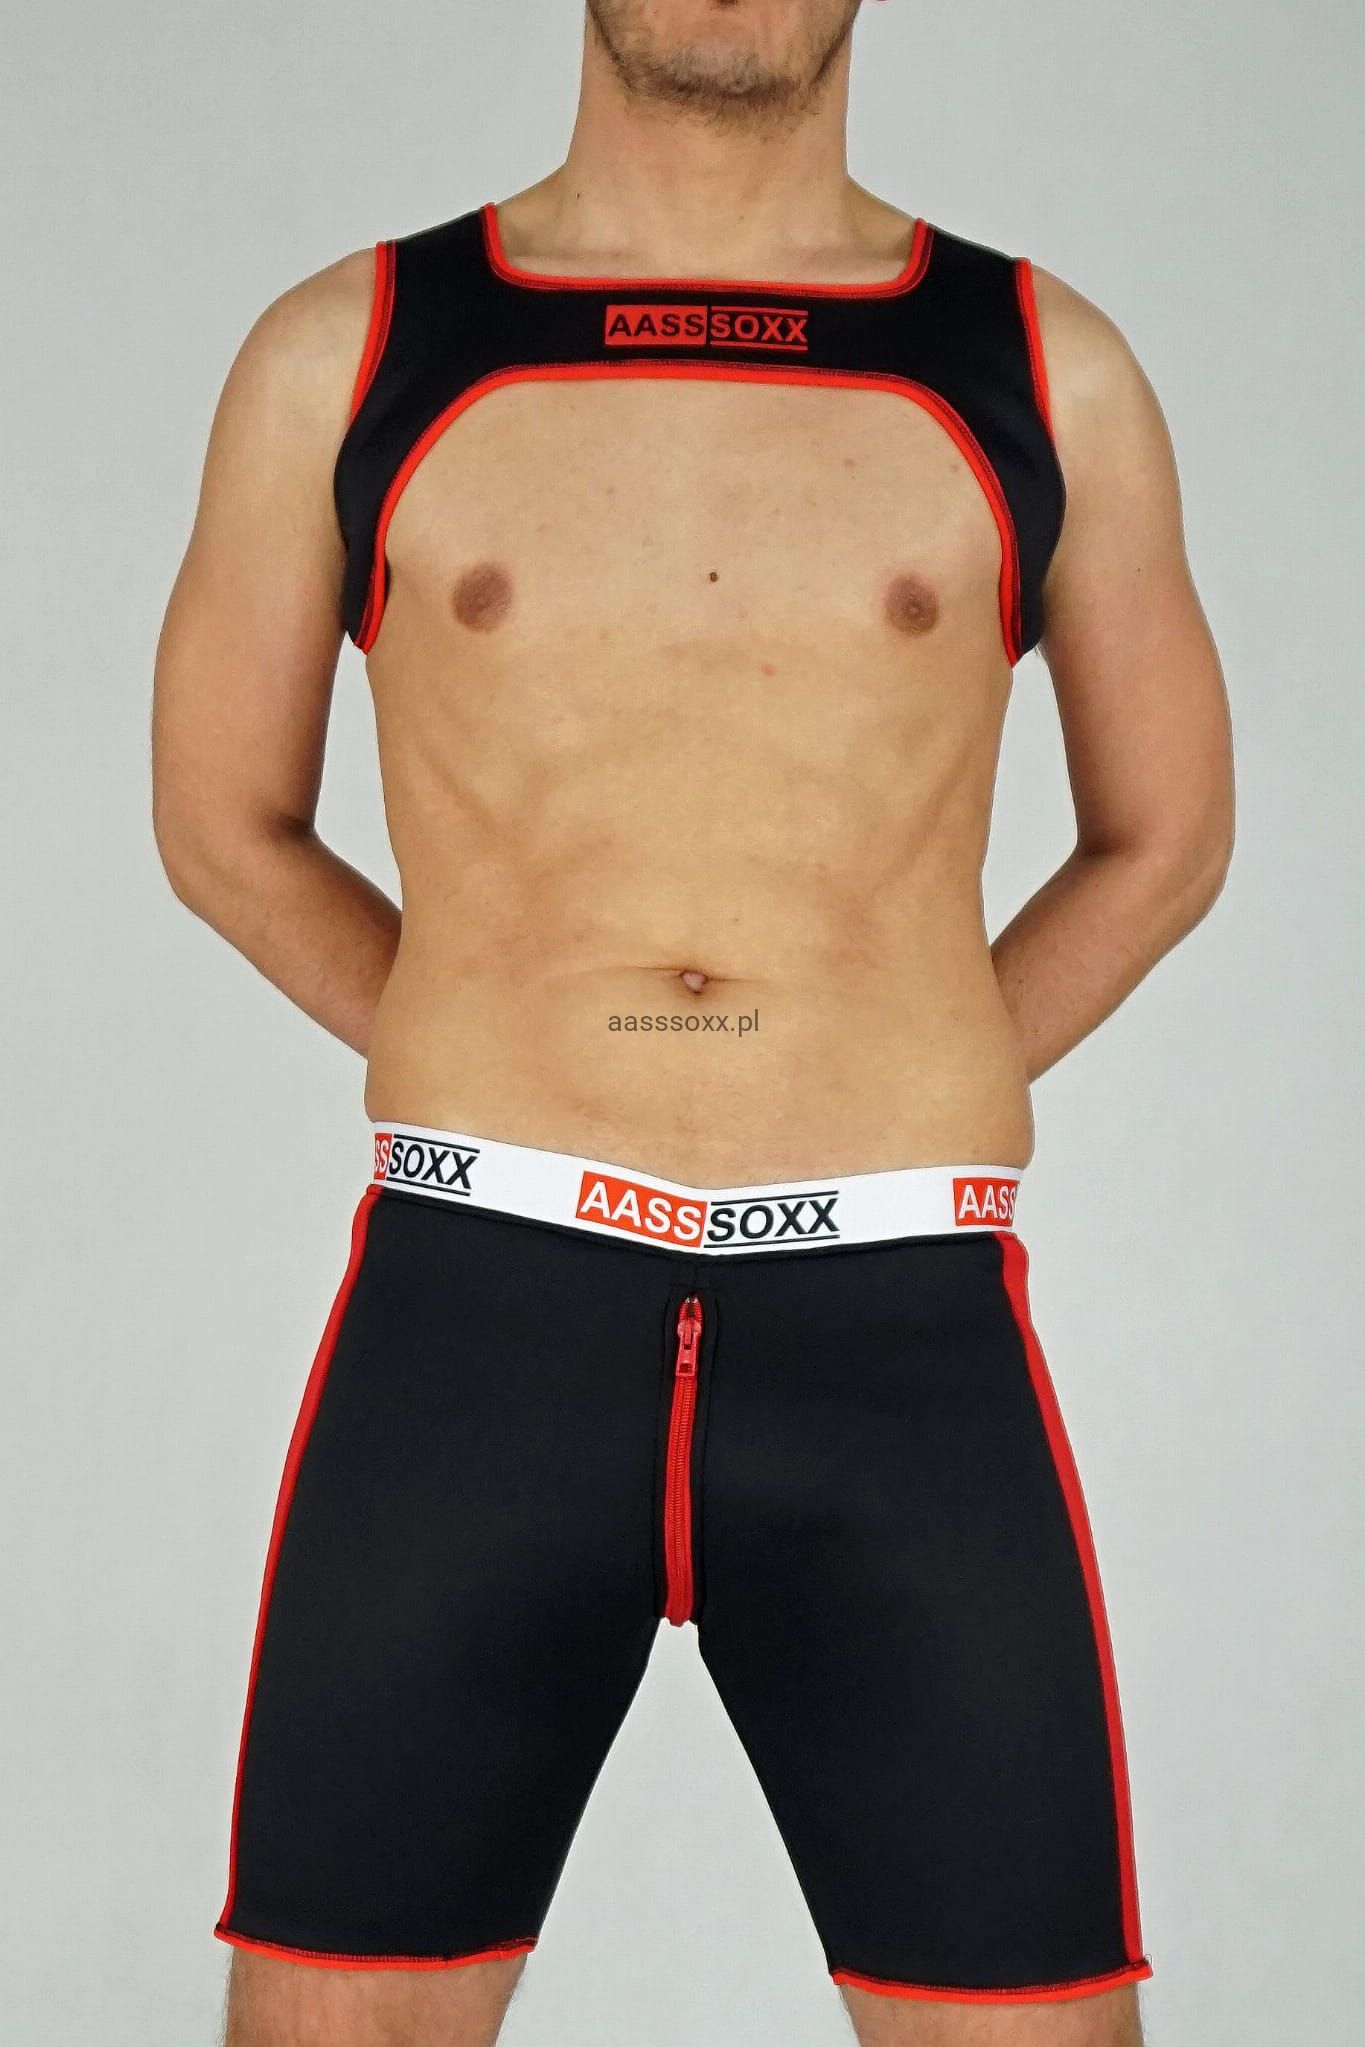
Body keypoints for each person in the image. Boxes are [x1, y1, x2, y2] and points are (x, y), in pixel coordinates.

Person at [152, 4, 1234, 2042]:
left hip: (896, 1340)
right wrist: (494, 1037)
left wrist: (899, 1061)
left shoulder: (1041, 367)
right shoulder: (351, 352)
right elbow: (219, 822)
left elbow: (1164, 838)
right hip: (478, 1325)